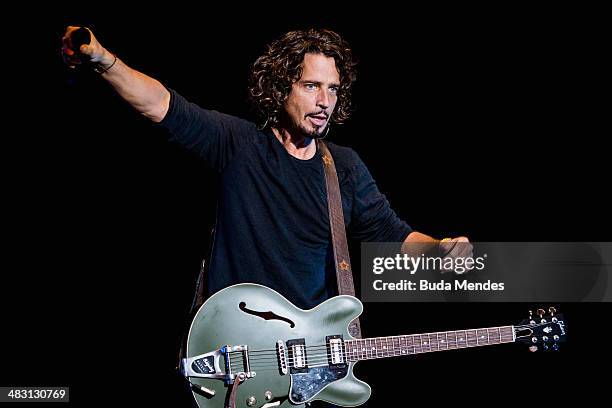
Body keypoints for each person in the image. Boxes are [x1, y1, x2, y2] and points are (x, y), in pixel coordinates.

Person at [61, 26, 472, 309]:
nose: (324, 100)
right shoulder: (239, 144)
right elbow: (162, 105)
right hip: (240, 343)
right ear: (281, 87)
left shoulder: (343, 168)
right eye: (311, 86)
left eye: (332, 88)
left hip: (310, 354)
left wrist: (437, 250)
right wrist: (102, 58)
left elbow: (392, 235)